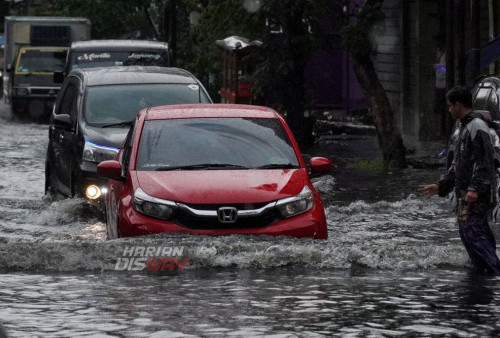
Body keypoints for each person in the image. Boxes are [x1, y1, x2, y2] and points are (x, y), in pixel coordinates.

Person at [418, 86, 500, 275]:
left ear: (458, 105)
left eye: (450, 106)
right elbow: (458, 165)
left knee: (474, 230)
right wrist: (440, 186)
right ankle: (480, 269)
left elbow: (485, 161)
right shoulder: (463, 127)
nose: (448, 110)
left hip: (476, 194)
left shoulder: (476, 126)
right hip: (463, 193)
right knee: (465, 230)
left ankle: (495, 271)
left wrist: (475, 188)